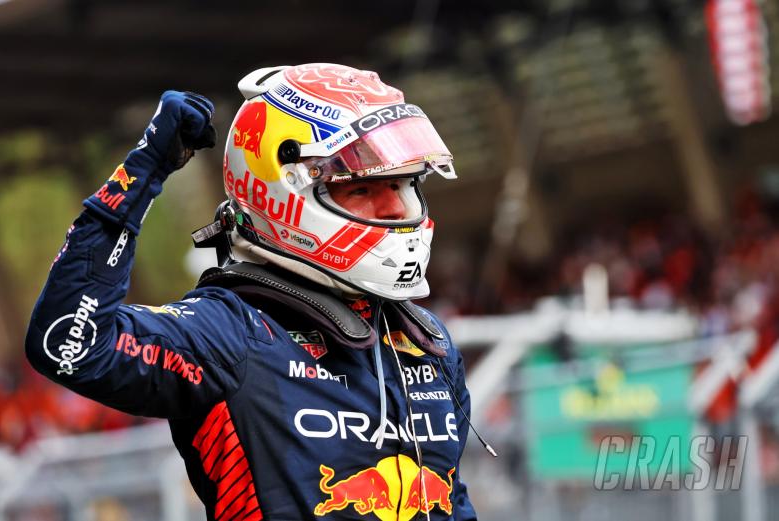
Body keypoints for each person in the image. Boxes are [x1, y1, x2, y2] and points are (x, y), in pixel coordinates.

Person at [26, 63, 488, 520]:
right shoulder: (228, 332)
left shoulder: (428, 342)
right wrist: (140, 175)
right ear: (283, 196)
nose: (393, 208)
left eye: (401, 184)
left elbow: (450, 500)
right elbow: (68, 343)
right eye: (362, 188)